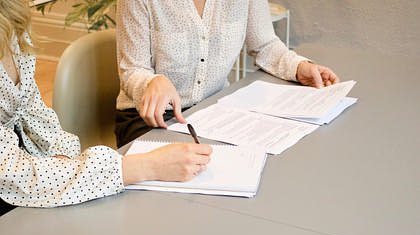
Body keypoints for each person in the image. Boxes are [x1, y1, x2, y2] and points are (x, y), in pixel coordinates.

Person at [0, 0, 212, 215]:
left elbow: (34, 112)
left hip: (34, 175)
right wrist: (148, 166)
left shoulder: (12, 20)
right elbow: (11, 174)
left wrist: (62, 158)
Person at [115, 0, 340, 147]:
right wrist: (152, 82)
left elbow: (265, 45)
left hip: (213, 112)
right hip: (149, 119)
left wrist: (299, 67)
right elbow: (132, 70)